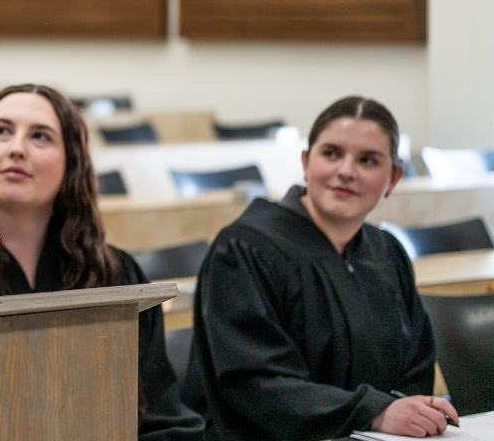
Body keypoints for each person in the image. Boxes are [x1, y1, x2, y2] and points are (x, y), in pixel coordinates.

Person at [0, 84, 205, 441]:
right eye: (2, 131)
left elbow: (160, 416)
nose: (17, 148)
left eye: (40, 137)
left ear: (70, 164)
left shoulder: (117, 274)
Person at [181, 96, 460, 441]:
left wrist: (404, 413)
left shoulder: (386, 253)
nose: (346, 171)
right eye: (331, 154)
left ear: (394, 178)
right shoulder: (244, 251)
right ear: (305, 161)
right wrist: (374, 412)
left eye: (368, 160)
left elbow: (414, 368)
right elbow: (254, 382)